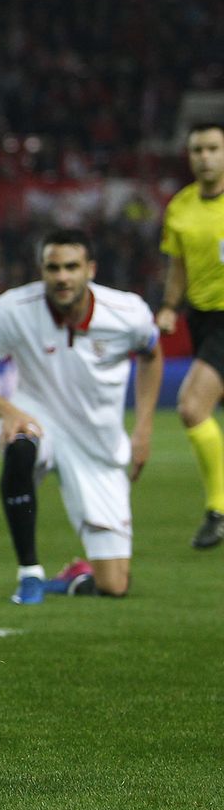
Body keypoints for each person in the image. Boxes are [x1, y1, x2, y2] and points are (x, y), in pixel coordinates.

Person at [0, 228, 161, 603]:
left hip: (98, 444)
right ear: (41, 270)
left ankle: (76, 578)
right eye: (53, 267)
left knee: (114, 586)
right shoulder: (12, 309)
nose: (62, 277)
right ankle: (29, 572)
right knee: (21, 446)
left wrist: (142, 428)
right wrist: (8, 411)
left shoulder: (129, 313)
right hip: (38, 418)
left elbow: (151, 355)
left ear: (90, 269)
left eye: (71, 267)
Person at [155, 122, 224, 549]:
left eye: (214, 148)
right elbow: (177, 266)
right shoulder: (180, 207)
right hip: (202, 319)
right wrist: (168, 306)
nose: (205, 157)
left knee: (192, 407)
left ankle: (218, 511)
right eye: (197, 149)